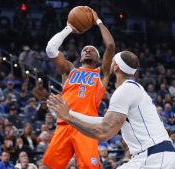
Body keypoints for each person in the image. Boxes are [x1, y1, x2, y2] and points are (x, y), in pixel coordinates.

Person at [47, 51, 175, 168]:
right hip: (150, 156)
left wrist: (69, 118)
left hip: (155, 157)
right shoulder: (131, 89)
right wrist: (68, 114)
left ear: (116, 67)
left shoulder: (125, 90)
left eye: (112, 62)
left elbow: (103, 132)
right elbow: (103, 120)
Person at [43, 6, 115, 169]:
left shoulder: (101, 73)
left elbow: (110, 46)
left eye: (92, 50)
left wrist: (98, 21)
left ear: (98, 59)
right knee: (50, 166)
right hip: (64, 124)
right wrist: (69, 28)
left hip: (86, 126)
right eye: (85, 49)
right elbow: (50, 49)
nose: (88, 50)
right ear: (80, 56)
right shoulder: (69, 70)